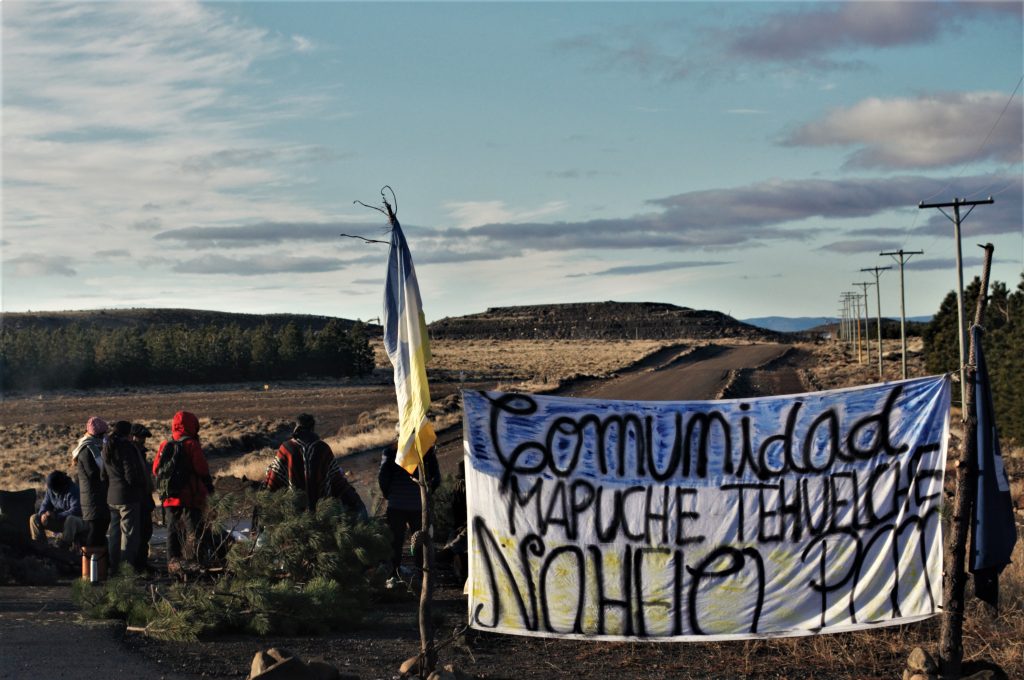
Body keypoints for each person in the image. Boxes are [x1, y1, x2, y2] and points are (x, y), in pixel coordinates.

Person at [264, 413, 367, 516]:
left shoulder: (286, 448)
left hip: (294, 520)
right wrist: (357, 503)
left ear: (296, 427)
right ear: (313, 429)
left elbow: (274, 480)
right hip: (322, 515)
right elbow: (337, 481)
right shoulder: (323, 448)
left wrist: (265, 504)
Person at [152, 411, 213, 566]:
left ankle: (173, 563)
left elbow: (155, 470)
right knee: (194, 530)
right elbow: (202, 469)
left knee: (173, 531)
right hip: (190, 497)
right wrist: (208, 488)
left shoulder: (165, 444)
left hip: (169, 497)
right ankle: (195, 562)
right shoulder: (191, 444)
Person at [378, 441, 440, 579]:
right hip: (419, 505)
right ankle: (422, 574)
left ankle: (394, 575)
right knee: (420, 541)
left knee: (395, 541)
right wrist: (427, 494)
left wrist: (389, 494)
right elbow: (436, 478)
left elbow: (383, 477)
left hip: (396, 504)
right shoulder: (426, 450)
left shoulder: (391, 451)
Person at [104, 420, 145, 572]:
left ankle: (113, 566)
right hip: (127, 497)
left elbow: (104, 474)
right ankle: (126, 569)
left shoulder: (107, 447)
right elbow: (130, 474)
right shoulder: (126, 447)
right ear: (128, 433)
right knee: (128, 535)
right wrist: (138, 486)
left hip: (112, 496)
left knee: (114, 533)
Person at [74, 416, 110, 578]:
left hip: (96, 498)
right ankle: (89, 570)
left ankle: (97, 569)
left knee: (99, 531)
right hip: (92, 500)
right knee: (94, 532)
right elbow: (93, 474)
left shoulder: (92, 448)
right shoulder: (87, 450)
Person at [28, 470, 86, 550]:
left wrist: (56, 515)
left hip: (78, 521)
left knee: (71, 519)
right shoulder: (51, 490)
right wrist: (43, 514)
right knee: (34, 518)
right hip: (60, 520)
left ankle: (62, 548)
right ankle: (40, 547)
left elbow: (76, 510)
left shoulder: (73, 489)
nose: (53, 492)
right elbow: (45, 505)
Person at [130, 423, 156, 572]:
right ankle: (137, 565)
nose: (143, 440)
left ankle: (142, 563)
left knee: (145, 531)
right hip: (136, 498)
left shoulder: (140, 453)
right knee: (139, 532)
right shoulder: (131, 454)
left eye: (144, 438)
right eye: (140, 437)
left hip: (143, 498)